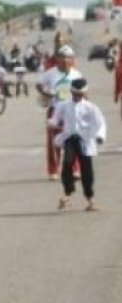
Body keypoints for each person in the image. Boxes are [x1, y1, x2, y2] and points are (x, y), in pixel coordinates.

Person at [49, 78, 106, 212]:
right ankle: (67, 193)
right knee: (67, 163)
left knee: (87, 170)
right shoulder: (63, 105)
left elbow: (101, 123)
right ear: (71, 92)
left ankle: (90, 198)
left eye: (80, 94)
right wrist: (52, 122)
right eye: (75, 93)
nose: (77, 96)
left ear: (84, 93)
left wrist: (99, 136)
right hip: (70, 138)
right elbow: (56, 118)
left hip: (85, 140)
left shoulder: (91, 107)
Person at [36, 45, 82, 180]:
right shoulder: (50, 73)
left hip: (72, 111)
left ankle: (74, 169)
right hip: (55, 111)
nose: (65, 60)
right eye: (62, 57)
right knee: (53, 142)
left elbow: (83, 91)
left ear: (72, 59)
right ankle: (53, 170)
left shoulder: (76, 74)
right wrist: (45, 92)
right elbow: (39, 84)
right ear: (57, 59)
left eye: (68, 58)